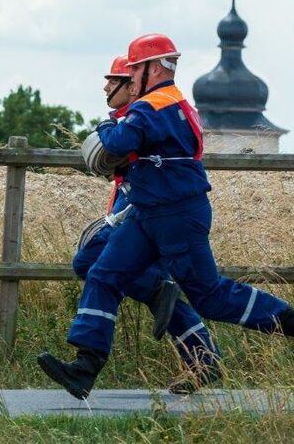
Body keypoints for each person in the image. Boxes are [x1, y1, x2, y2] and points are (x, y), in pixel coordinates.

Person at [38, 34, 294, 400]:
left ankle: (287, 321)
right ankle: (84, 367)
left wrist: (107, 128)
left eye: (134, 68)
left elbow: (115, 143)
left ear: (153, 68)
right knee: (102, 273)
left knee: (211, 297)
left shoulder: (154, 106)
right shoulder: (166, 105)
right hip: (147, 212)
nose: (127, 74)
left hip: (176, 215)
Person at [71, 54, 220, 394]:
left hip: (142, 209)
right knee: (136, 281)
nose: (107, 86)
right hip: (140, 206)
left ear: (132, 83)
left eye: (115, 79)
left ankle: (165, 304)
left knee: (89, 262)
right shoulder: (136, 115)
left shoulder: (143, 116)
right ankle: (204, 358)